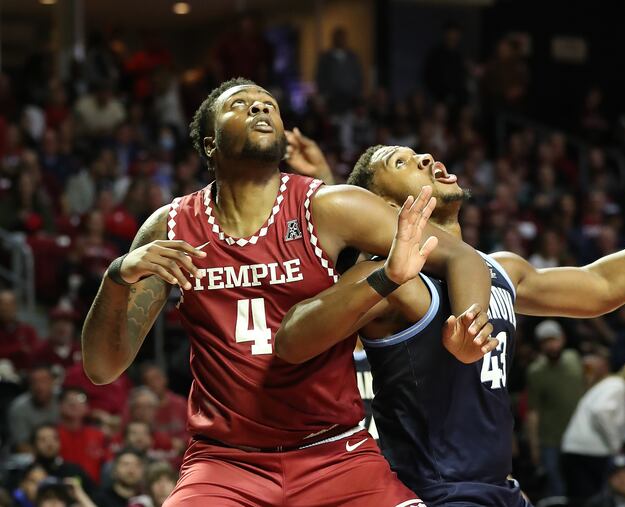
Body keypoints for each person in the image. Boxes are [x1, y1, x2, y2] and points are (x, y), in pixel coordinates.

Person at [81, 77, 494, 506]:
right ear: (209, 144)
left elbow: (462, 257)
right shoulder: (170, 227)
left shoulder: (331, 207)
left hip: (337, 456)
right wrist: (116, 277)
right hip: (225, 464)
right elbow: (102, 368)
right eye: (240, 105)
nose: (260, 109)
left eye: (269, 105)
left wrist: (470, 321)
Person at [276, 123, 625, 505]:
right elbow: (301, 329)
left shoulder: (501, 268)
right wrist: (329, 190)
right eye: (403, 163)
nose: (428, 157)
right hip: (430, 492)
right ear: (387, 209)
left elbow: (601, 287)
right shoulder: (392, 280)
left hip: (499, 488)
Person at [562, 360, 625, 503]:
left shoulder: (612, 384)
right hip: (589, 451)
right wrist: (614, 444)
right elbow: (600, 411)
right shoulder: (619, 386)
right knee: (590, 501)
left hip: (579, 449)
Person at [526, 320, 584, 497]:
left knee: (578, 483)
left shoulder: (575, 359)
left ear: (563, 339)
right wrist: (534, 445)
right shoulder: (535, 371)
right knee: (555, 486)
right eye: (545, 341)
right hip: (550, 438)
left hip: (578, 434)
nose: (551, 345)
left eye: (554, 339)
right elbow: (533, 411)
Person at [7, 365, 59, 451]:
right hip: (34, 457)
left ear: (53, 382)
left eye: (44, 381)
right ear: (29, 385)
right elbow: (22, 446)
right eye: (35, 382)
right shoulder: (19, 408)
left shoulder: (62, 399)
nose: (39, 386)